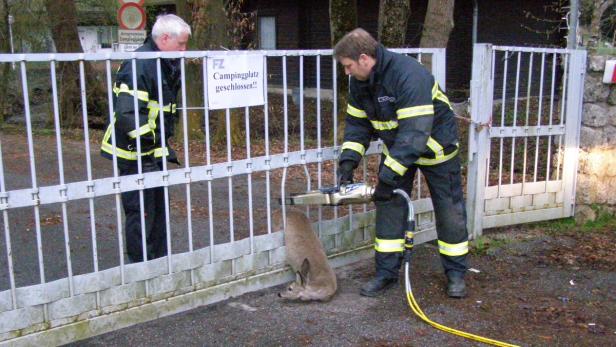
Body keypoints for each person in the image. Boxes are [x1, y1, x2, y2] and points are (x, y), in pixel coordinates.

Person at [334, 28, 469, 298]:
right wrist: (349, 161)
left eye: (348, 66)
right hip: (400, 149)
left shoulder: (409, 74)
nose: (346, 72)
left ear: (363, 58)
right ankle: (386, 274)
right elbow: (358, 125)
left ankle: (456, 274)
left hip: (435, 148)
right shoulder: (359, 82)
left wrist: (387, 178)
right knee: (389, 208)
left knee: (449, 211)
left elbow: (415, 132)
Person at [101, 14, 191, 263]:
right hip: (133, 152)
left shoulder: (163, 62)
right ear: (164, 38)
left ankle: (159, 262)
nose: (184, 51)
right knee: (140, 212)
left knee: (158, 211)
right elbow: (130, 114)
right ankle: (142, 267)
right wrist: (148, 148)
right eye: (181, 44)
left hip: (152, 151)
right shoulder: (140, 63)